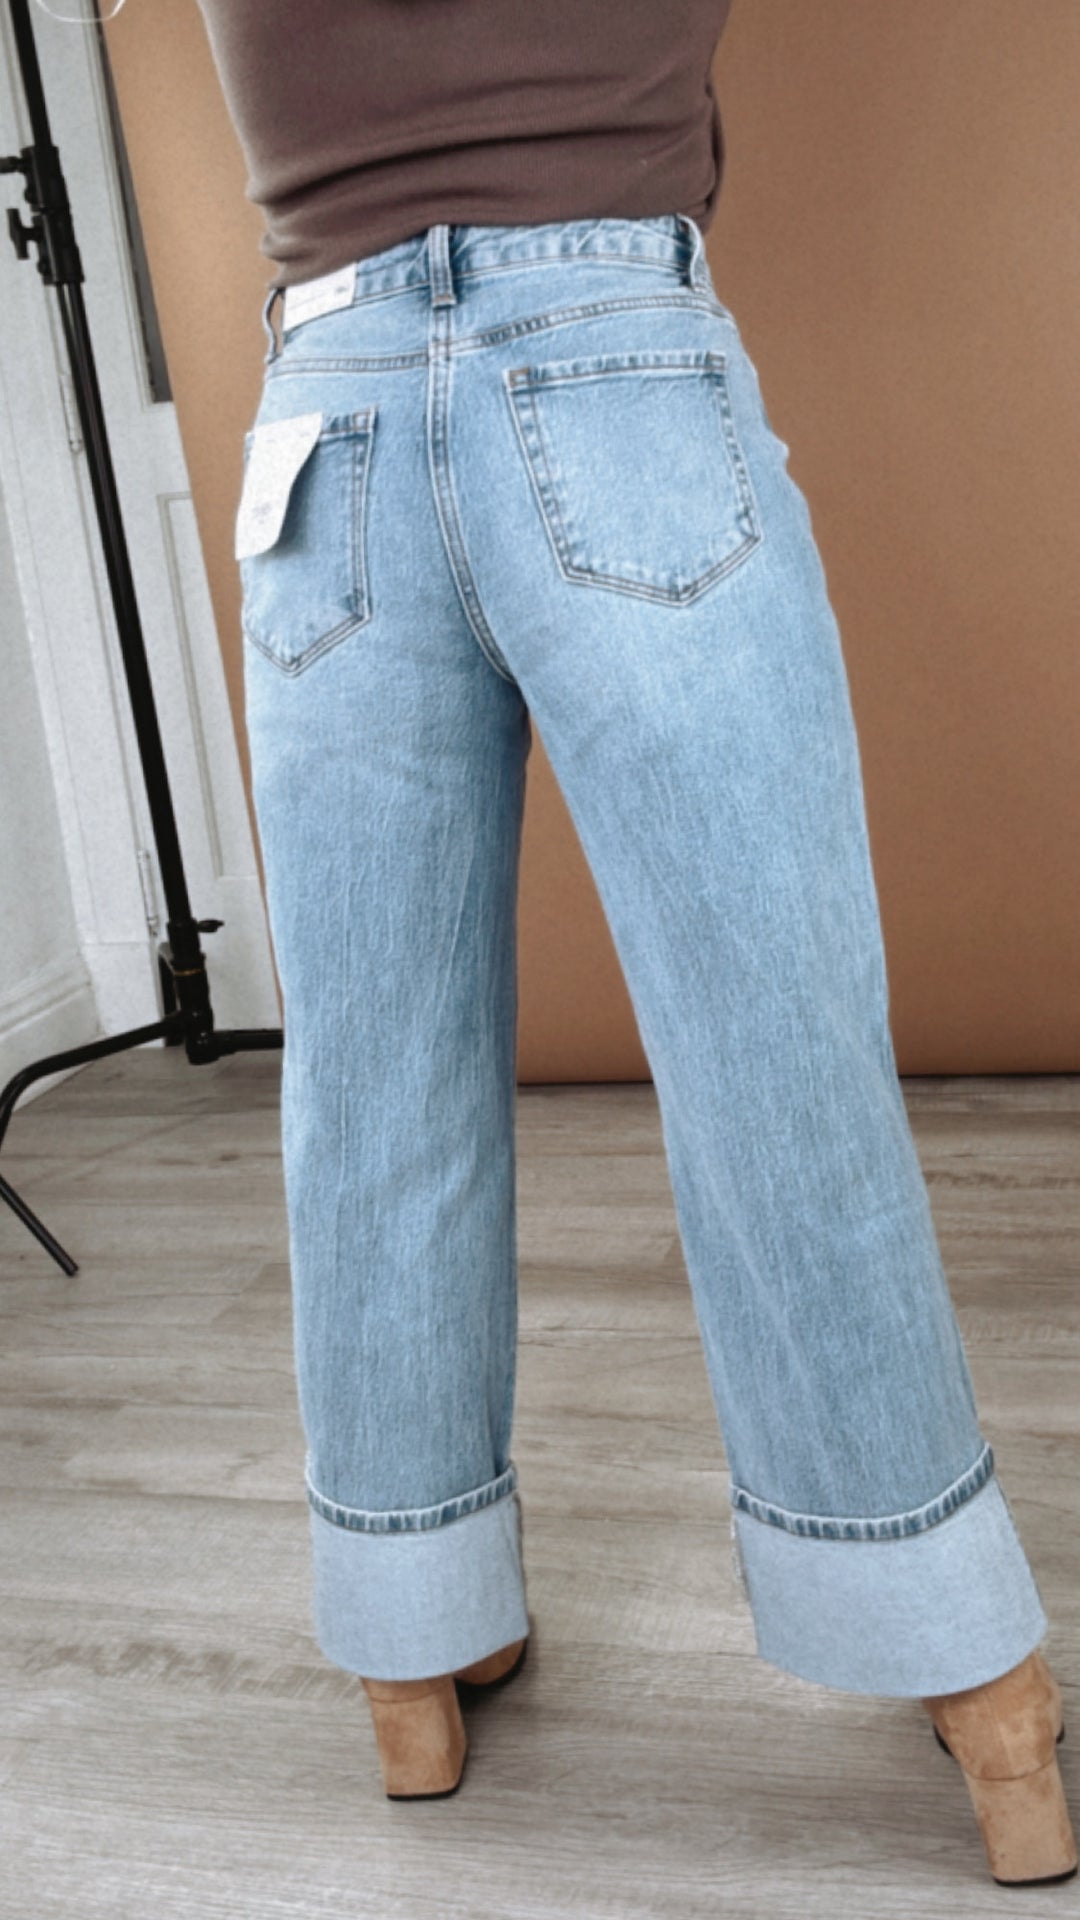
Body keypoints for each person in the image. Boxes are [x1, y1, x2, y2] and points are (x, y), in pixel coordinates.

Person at [196, 0, 1077, 1885]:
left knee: (375, 1085)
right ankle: (976, 1687)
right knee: (776, 1052)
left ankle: (414, 1651)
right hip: (612, 360)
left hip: (327, 417)